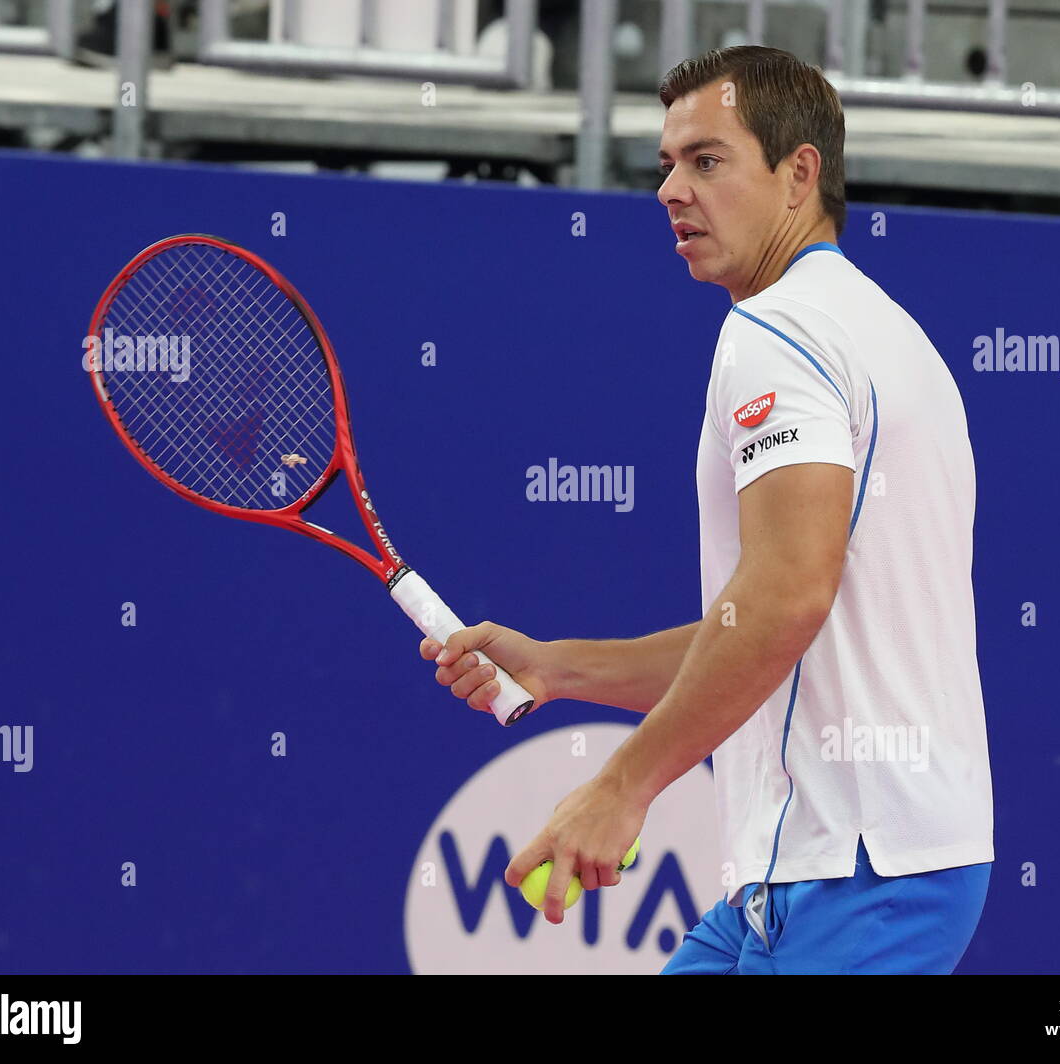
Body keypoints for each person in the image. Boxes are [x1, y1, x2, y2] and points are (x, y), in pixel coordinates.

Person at [418, 46, 994, 975]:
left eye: (708, 160)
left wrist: (623, 784)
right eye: (666, 165)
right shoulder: (891, 334)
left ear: (799, 173)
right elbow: (771, 628)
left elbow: (787, 596)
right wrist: (559, 667)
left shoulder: (775, 331)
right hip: (821, 873)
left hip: (858, 877)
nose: (671, 190)